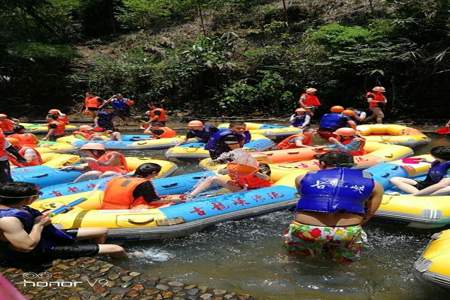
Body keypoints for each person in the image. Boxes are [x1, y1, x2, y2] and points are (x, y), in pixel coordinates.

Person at [283, 152, 383, 263]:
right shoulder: (375, 185)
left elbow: (305, 200)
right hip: (346, 231)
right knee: (343, 266)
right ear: (352, 164)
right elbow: (369, 214)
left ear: (322, 163)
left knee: (296, 261)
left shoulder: (302, 178)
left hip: (308, 229)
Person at [0, 182, 125, 267]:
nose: (38, 197)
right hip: (40, 250)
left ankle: (92, 253)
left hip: (46, 237)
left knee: (102, 230)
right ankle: (122, 264)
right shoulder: (8, 220)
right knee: (116, 248)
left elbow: (29, 219)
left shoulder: (17, 206)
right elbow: (27, 246)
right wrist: (39, 225)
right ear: (27, 198)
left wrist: (47, 214)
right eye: (37, 195)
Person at [185, 149, 271, 199]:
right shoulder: (235, 166)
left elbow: (267, 178)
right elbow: (220, 172)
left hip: (258, 190)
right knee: (213, 178)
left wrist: (256, 173)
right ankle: (191, 195)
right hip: (240, 188)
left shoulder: (262, 166)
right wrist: (228, 170)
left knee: (222, 192)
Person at [102, 163, 178, 209]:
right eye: (157, 173)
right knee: (174, 203)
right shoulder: (144, 183)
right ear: (154, 172)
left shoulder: (118, 179)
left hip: (106, 207)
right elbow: (152, 201)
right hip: (126, 210)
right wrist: (173, 200)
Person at [62, 143, 129, 182]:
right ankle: (74, 185)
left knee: (107, 174)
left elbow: (108, 164)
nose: (84, 154)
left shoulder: (113, 154)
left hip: (120, 177)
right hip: (101, 180)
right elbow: (87, 169)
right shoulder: (93, 160)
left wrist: (94, 161)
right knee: (94, 173)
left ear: (95, 151)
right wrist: (72, 167)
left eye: (85, 152)